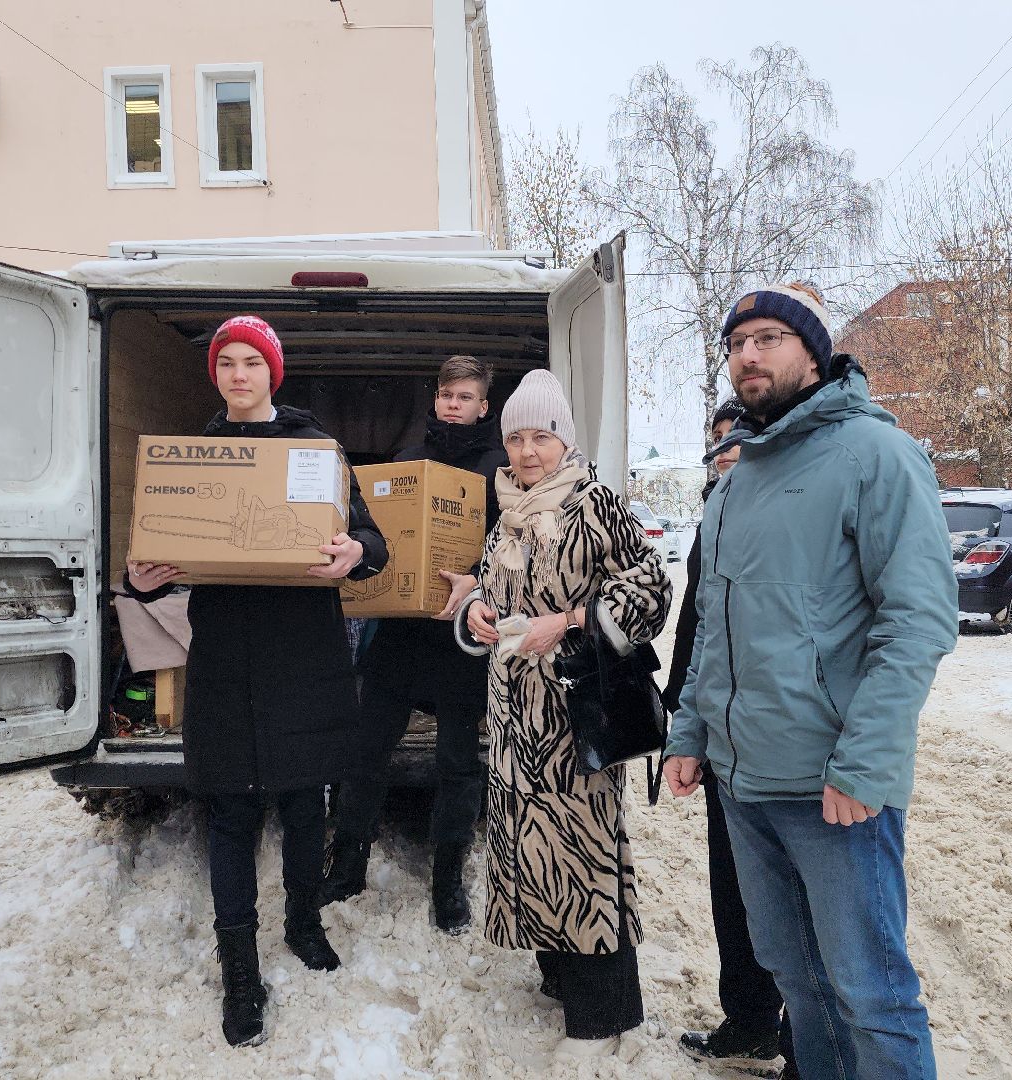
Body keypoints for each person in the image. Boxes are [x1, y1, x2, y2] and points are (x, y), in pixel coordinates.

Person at [663, 285, 958, 1079]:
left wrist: (865, 764)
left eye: (767, 338)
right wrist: (689, 734)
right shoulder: (734, 483)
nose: (747, 356)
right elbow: (713, 629)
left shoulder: (878, 455)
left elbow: (918, 623)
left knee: (871, 991)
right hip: (744, 783)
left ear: (814, 351)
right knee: (799, 981)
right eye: (735, 345)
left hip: (833, 786)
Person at [125, 315, 388, 1049]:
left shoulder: (315, 448)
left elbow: (374, 542)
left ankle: (304, 922)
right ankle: (240, 965)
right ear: (217, 375)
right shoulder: (193, 457)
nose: (239, 374)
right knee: (232, 814)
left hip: (303, 656)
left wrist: (353, 551)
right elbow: (151, 548)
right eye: (227, 363)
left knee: (306, 805)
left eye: (252, 362)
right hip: (228, 663)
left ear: (274, 372)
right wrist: (138, 579)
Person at [455, 368, 673, 1056]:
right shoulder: (508, 514)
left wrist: (573, 619)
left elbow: (652, 589)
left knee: (582, 856)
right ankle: (558, 978)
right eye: (515, 438)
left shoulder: (596, 503)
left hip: (579, 714)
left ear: (564, 440)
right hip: (515, 719)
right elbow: (485, 597)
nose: (526, 452)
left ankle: (604, 1011)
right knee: (529, 851)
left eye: (540, 437)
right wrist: (477, 615)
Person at [324, 356, 509, 933]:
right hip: (400, 635)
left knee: (457, 763)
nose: (454, 405)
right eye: (447, 395)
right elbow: (373, 531)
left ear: (484, 406)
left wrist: (479, 576)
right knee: (365, 749)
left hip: (460, 635)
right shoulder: (405, 462)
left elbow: (514, 548)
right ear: (435, 400)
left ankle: (448, 876)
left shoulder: (500, 470)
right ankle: (348, 860)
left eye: (466, 397)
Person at [664, 397, 792, 1080]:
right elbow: (695, 627)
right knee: (734, 888)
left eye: (744, 439)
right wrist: (680, 719)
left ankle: (807, 1047)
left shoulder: (795, 511)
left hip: (792, 741)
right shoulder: (714, 517)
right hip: (721, 736)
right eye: (720, 442)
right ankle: (748, 1023)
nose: (730, 451)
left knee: (799, 907)